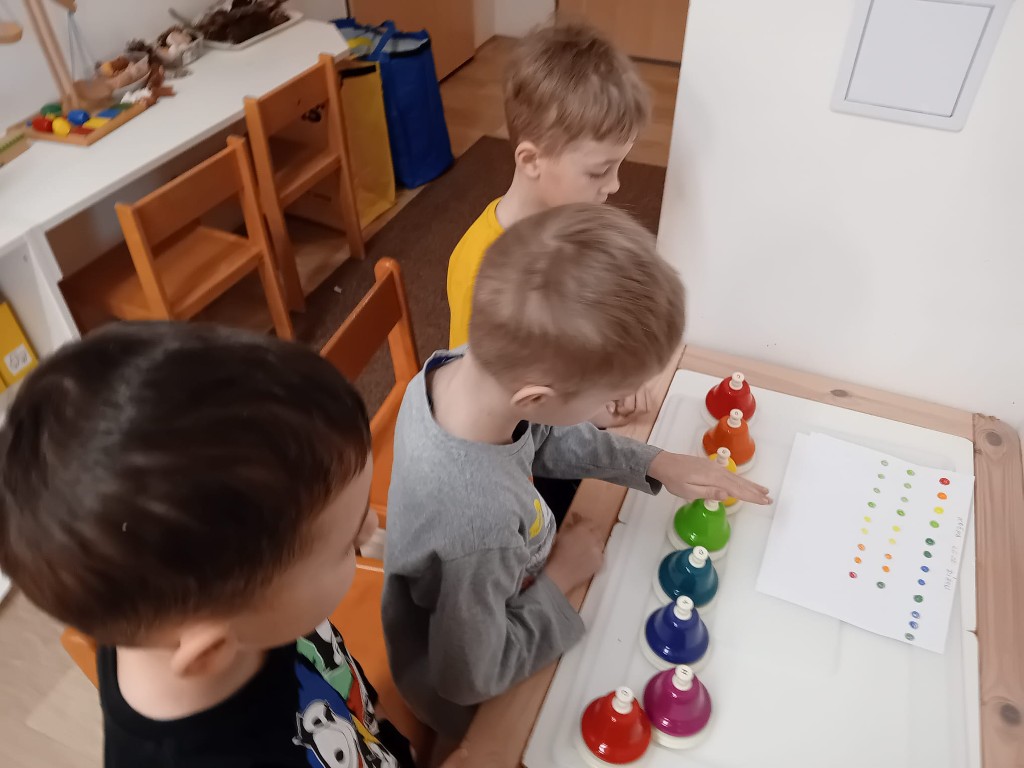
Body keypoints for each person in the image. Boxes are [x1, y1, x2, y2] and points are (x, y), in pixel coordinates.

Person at [385, 205, 771, 755]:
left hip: (498, 591)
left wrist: (654, 462)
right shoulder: (475, 524)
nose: (614, 406)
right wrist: (559, 578)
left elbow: (542, 435)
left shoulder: (469, 370)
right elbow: (468, 676)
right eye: (605, 397)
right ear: (537, 397)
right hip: (474, 694)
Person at [0, 322, 428, 768]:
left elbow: (329, 666)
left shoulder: (200, 595)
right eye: (347, 544)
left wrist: (379, 729)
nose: (371, 528)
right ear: (212, 651)